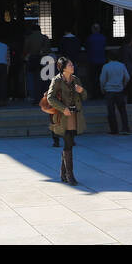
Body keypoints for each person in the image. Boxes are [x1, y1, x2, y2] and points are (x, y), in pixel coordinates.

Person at [45, 57, 87, 186]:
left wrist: (82, 91)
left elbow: (84, 97)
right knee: (68, 143)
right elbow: (50, 98)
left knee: (69, 143)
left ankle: (63, 174)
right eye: (70, 65)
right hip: (64, 116)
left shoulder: (76, 79)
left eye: (72, 64)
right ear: (63, 68)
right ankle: (70, 175)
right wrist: (63, 109)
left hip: (75, 115)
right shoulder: (56, 80)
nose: (72, 66)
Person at [99, 50, 131, 134]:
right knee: (122, 111)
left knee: (111, 111)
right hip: (119, 90)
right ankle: (125, 128)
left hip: (109, 90)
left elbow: (102, 80)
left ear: (108, 58)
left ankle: (114, 129)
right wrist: (123, 85)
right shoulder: (122, 65)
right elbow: (127, 77)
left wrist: (102, 89)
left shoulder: (106, 66)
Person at [24, 23, 51, 104]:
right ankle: (44, 98)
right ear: (40, 30)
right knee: (44, 80)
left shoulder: (29, 38)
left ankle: (35, 98)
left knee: (33, 79)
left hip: (33, 59)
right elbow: (48, 49)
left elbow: (25, 49)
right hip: (43, 59)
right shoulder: (44, 38)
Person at [85, 23, 107, 96]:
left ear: (92, 29)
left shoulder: (90, 38)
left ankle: (94, 94)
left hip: (92, 60)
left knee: (93, 78)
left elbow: (87, 47)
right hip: (102, 60)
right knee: (101, 77)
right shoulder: (103, 37)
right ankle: (101, 93)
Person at [119, 37, 132, 104]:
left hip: (122, 68)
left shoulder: (121, 48)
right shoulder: (129, 49)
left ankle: (121, 99)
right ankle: (130, 99)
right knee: (131, 85)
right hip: (130, 69)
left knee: (123, 85)